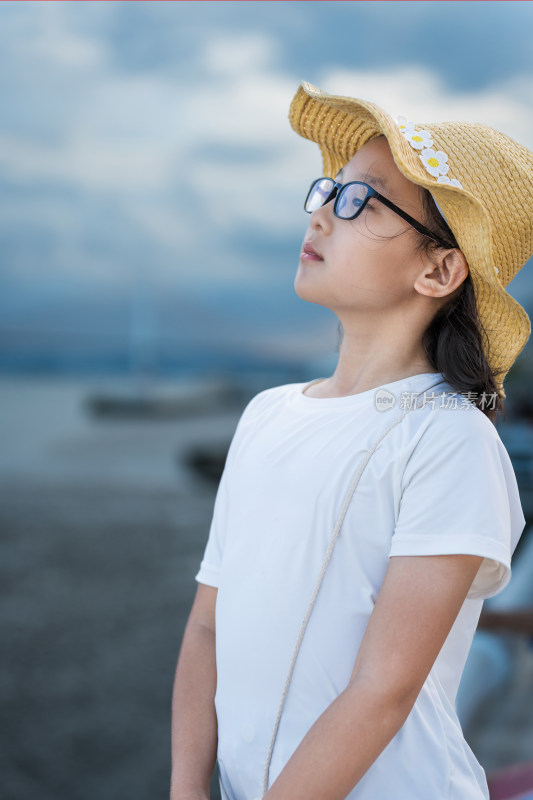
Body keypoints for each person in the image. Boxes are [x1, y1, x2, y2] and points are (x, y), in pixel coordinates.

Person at [169, 82, 533, 800]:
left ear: (438, 270)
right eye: (326, 190)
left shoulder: (448, 441)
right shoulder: (266, 415)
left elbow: (382, 690)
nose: (321, 215)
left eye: (358, 200)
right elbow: (208, 629)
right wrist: (187, 787)